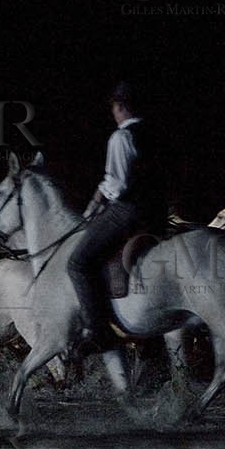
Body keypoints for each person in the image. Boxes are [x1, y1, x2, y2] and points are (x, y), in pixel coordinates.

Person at [66, 82, 171, 356]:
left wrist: (95, 202)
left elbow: (117, 184)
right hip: (157, 214)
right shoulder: (154, 133)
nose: (113, 113)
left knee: (77, 263)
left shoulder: (121, 137)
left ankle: (97, 332)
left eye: (113, 107)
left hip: (130, 210)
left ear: (121, 107)